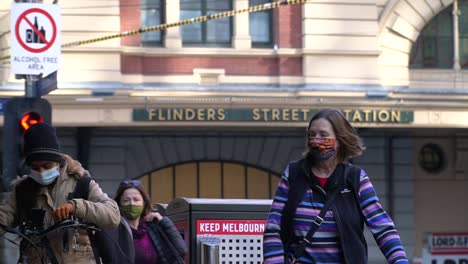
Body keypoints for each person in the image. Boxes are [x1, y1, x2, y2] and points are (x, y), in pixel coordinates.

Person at [263, 108, 409, 264]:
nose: (316, 140)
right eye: (312, 135)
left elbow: (383, 228)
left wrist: (400, 261)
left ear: (340, 140)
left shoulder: (356, 179)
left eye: (323, 135)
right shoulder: (293, 174)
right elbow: (273, 227)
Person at [0, 123, 121, 263]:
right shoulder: (21, 190)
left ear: (58, 161)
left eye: (47, 166)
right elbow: (4, 216)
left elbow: (113, 215)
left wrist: (76, 207)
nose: (41, 172)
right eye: (35, 168)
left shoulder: (81, 183)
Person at [114, 179, 187, 263]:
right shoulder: (114, 230)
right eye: (126, 200)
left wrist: (163, 221)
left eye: (136, 200)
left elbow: (181, 250)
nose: (131, 204)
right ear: (119, 204)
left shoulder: (153, 227)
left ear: (144, 203)